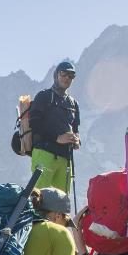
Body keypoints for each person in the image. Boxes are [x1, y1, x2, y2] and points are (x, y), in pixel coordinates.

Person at [29, 61, 80, 195]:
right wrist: (57, 138)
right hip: (44, 153)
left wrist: (77, 140)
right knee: (39, 199)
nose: (67, 78)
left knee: (62, 203)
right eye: (64, 74)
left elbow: (75, 128)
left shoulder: (74, 103)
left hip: (65, 159)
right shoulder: (44, 96)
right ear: (56, 75)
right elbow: (34, 123)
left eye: (71, 76)